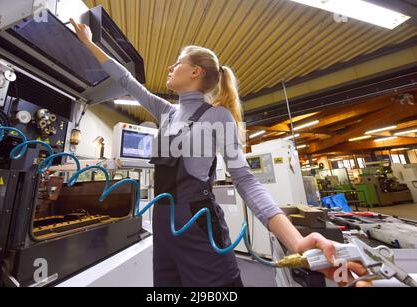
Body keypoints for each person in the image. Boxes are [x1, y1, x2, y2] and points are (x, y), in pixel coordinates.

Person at [70, 19, 370, 287]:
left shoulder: (218, 117)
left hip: (198, 225)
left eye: (177, 63)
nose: (169, 68)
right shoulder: (166, 112)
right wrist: (89, 43)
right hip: (163, 227)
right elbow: (126, 80)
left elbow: (245, 180)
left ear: (195, 71)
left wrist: (296, 240)